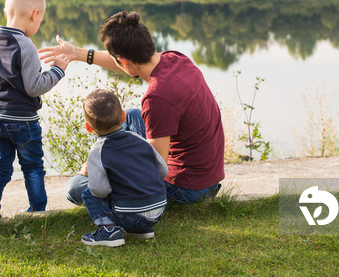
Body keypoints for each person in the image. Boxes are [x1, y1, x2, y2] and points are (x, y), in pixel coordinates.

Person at [40, 11, 224, 205]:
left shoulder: (157, 97)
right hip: (207, 176)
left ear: (124, 61)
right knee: (131, 116)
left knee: (76, 188)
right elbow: (126, 61)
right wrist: (77, 53)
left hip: (188, 189)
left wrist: (102, 168)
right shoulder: (176, 59)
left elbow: (155, 170)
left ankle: (104, 165)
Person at [0, 0, 70, 218]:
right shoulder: (25, 45)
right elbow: (33, 88)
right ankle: (37, 211)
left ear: (5, 12)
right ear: (35, 14)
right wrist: (58, 70)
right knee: (32, 168)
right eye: (41, 20)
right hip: (23, 121)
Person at [78, 89, 168, 247]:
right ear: (124, 116)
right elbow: (163, 171)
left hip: (129, 216)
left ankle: (109, 231)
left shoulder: (97, 151)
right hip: (158, 212)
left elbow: (99, 191)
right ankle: (142, 230)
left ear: (88, 127)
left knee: (88, 193)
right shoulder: (139, 139)